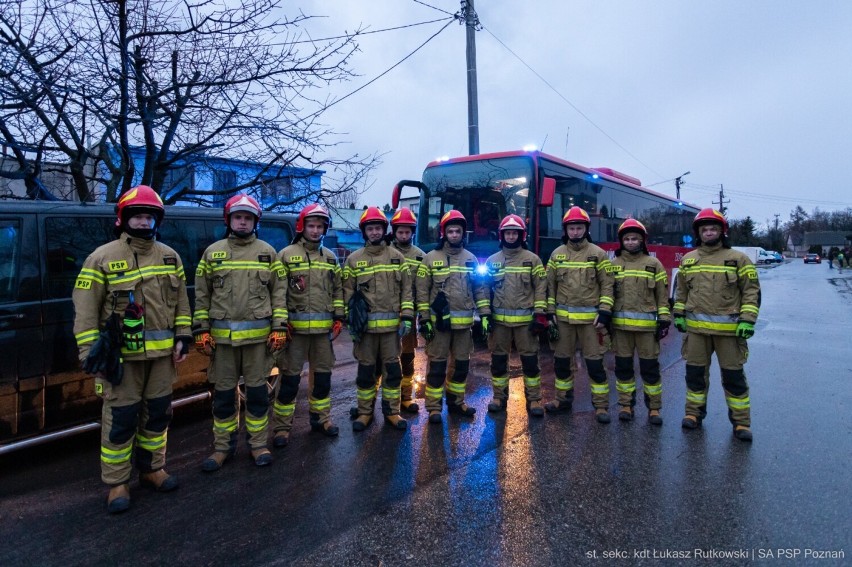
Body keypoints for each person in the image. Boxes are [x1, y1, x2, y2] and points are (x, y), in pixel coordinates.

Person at [73, 185, 192, 514]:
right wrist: (90, 355)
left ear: (157, 220)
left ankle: (153, 469)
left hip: (162, 359)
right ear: (124, 219)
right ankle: (117, 483)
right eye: (137, 216)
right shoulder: (102, 258)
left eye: (148, 216)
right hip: (121, 359)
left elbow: (182, 303)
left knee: (157, 416)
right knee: (121, 419)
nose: (143, 222)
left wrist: (183, 336)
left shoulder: (170, 256)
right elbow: (84, 314)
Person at [193, 194, 287, 472]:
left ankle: (258, 445)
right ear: (229, 220)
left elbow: (279, 295)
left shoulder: (268, 253)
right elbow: (201, 296)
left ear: (255, 221)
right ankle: (223, 448)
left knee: (257, 396)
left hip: (259, 343)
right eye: (238, 217)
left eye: (248, 218)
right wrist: (201, 330)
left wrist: (279, 327)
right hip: (222, 344)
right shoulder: (212, 253)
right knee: (223, 397)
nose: (243, 222)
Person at [673, 208, 760, 442]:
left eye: (713, 229)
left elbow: (751, 292)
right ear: (698, 233)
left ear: (722, 232)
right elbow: (680, 292)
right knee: (695, 376)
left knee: (734, 377)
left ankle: (741, 423)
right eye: (705, 229)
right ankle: (693, 415)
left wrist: (747, 320)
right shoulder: (689, 260)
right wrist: (678, 314)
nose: (709, 232)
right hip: (696, 333)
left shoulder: (739, 259)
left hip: (729, 333)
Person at [271, 204, 344, 444]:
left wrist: (339, 317)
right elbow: (278, 294)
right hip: (295, 333)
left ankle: (321, 419)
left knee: (322, 378)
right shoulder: (286, 255)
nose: (315, 230)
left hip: (322, 333)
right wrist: (281, 323)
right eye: (311, 226)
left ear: (325, 228)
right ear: (302, 227)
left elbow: (338, 291)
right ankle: (282, 428)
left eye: (319, 226)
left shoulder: (331, 258)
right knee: (290, 381)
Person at [343, 207, 414, 431]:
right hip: (365, 332)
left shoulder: (397, 258)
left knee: (393, 372)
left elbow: (407, 291)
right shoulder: (354, 260)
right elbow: (346, 295)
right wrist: (351, 325)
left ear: (384, 230)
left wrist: (407, 318)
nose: (374, 232)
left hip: (392, 331)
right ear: (364, 232)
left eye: (378, 228)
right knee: (366, 374)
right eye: (370, 228)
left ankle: (392, 412)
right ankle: (365, 413)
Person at [416, 210, 490, 423]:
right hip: (438, 325)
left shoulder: (471, 259)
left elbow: (480, 290)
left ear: (462, 233)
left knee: (461, 367)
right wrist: (424, 319)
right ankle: (434, 408)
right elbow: (422, 293)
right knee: (437, 367)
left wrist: (484, 315)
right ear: (444, 233)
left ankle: (456, 402)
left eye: (458, 231)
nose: (455, 234)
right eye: (451, 231)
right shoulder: (430, 259)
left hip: (463, 326)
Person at [544, 206, 615, 423]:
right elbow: (549, 287)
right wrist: (550, 313)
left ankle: (601, 406)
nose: (575, 232)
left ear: (586, 229)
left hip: (591, 323)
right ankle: (562, 400)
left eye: (579, 227)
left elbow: (608, 285)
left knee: (595, 364)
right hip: (563, 322)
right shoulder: (557, 255)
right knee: (562, 363)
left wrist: (604, 312)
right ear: (566, 230)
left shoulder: (598, 254)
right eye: (572, 228)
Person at [484, 215, 548, 416]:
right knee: (498, 362)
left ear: (522, 235)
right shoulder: (492, 261)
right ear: (502, 236)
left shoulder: (532, 259)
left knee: (530, 363)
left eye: (515, 233)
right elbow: (484, 289)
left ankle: (535, 400)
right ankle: (498, 398)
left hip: (526, 323)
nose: (511, 236)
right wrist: (486, 315)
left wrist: (539, 315)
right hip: (499, 323)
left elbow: (541, 288)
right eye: (508, 233)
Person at [610, 219, 671, 425]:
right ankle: (626, 406)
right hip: (620, 329)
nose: (630, 242)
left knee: (650, 370)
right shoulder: (613, 265)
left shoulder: (654, 265)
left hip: (646, 331)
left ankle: (654, 409)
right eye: (626, 239)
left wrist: (663, 319)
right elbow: (606, 295)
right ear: (621, 241)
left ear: (642, 240)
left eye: (635, 238)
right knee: (623, 369)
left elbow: (662, 297)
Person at [388, 207, 427, 413]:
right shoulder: (386, 252)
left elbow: (422, 289)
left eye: (407, 232)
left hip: (408, 317)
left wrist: (422, 316)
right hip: (385, 314)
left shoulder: (421, 257)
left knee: (407, 357)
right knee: (384, 359)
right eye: (400, 232)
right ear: (394, 231)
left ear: (413, 232)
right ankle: (381, 402)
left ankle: (405, 397)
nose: (404, 235)